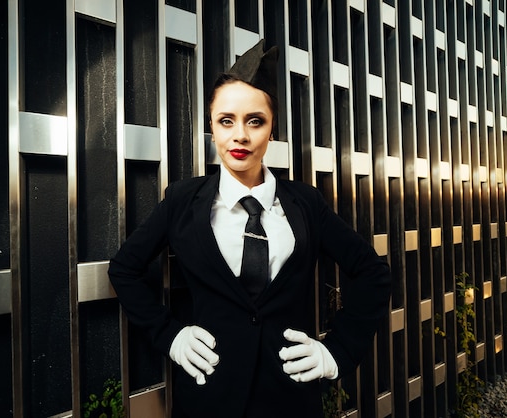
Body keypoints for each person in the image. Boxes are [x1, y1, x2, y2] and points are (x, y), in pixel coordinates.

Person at [108, 40, 391, 418]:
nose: (240, 135)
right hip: (208, 400)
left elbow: (373, 274)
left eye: (254, 121)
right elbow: (124, 269)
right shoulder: (182, 201)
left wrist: (336, 351)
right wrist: (171, 336)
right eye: (227, 120)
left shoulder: (306, 203)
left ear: (272, 129)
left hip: (291, 401)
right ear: (212, 126)